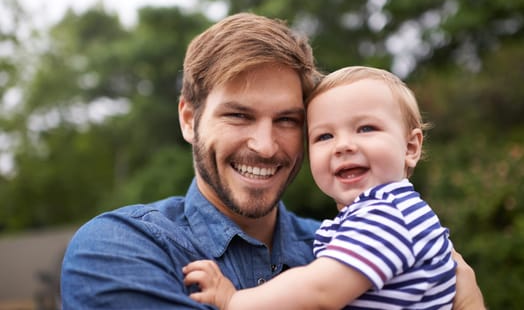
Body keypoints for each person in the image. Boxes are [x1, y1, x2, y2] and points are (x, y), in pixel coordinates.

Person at [60, 13, 485, 309]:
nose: (265, 146)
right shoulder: (122, 250)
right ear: (190, 119)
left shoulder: (342, 243)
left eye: (286, 120)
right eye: (238, 115)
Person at [182, 66, 461, 309]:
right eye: (324, 136)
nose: (343, 146)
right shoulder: (373, 217)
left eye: (365, 128)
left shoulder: (388, 215)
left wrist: (234, 301)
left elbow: (320, 291)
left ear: (411, 147)